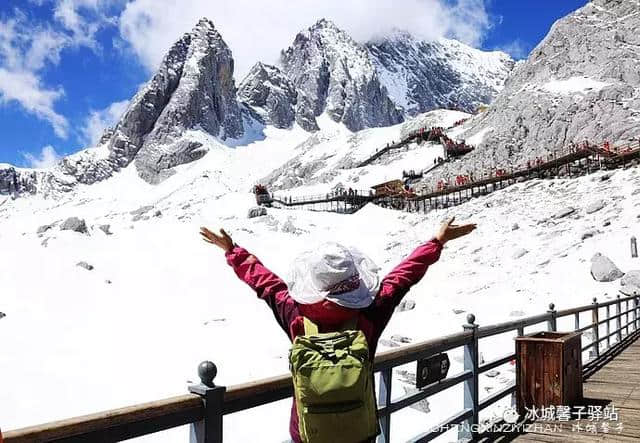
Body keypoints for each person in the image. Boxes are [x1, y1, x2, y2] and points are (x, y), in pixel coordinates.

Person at [199, 218, 476, 443]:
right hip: (358, 429)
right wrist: (436, 242)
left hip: (309, 433)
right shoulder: (369, 314)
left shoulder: (296, 314)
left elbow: (267, 285)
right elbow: (403, 277)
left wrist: (233, 251)